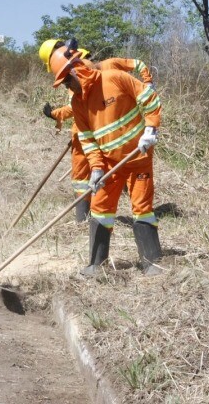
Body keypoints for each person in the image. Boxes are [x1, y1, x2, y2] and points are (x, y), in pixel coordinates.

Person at [48, 45, 163, 276]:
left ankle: (152, 263)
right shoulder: (78, 104)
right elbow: (88, 140)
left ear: (76, 70)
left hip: (138, 157)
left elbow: (150, 99)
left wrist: (150, 130)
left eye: (66, 81)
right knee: (100, 209)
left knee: (141, 208)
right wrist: (97, 169)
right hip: (110, 164)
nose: (67, 87)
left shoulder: (115, 78)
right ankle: (96, 265)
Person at [38, 39, 154, 222]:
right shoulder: (96, 71)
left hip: (106, 137)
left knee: (83, 176)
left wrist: (55, 114)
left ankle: (82, 218)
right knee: (96, 178)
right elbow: (77, 108)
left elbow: (72, 108)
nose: (87, 63)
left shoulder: (93, 74)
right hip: (95, 135)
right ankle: (88, 218)